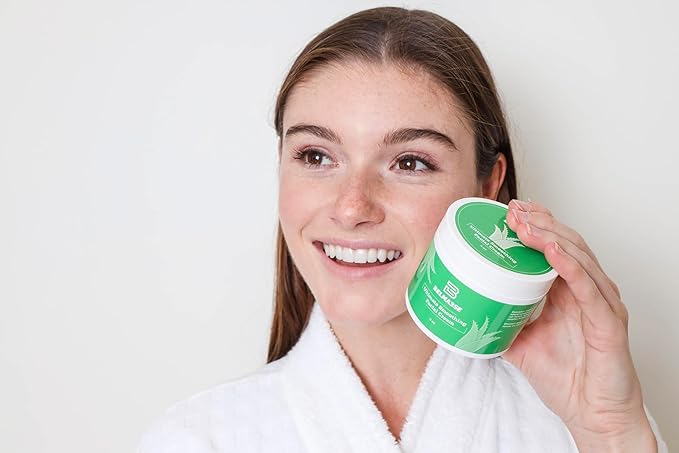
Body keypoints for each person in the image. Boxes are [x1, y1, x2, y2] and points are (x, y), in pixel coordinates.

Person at [138, 7, 667, 452]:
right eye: (316, 156)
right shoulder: (196, 438)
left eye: (410, 163)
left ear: (488, 187)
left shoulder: (582, 428)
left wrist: (611, 431)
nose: (352, 207)